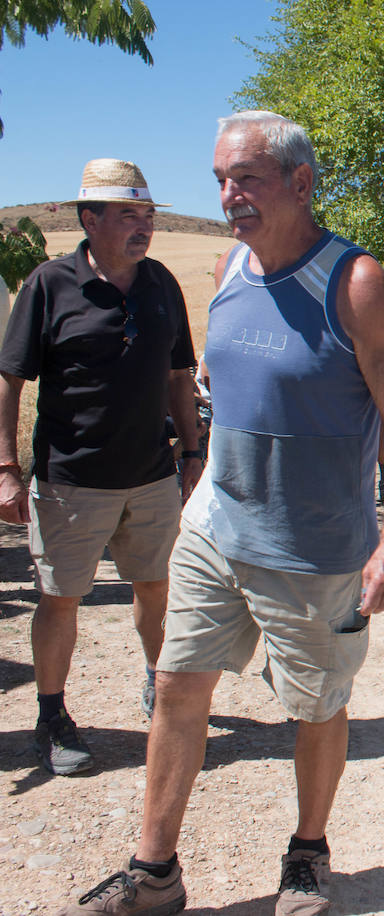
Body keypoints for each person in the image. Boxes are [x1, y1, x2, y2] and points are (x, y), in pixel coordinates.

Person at [62, 111, 384, 915]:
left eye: (246, 179)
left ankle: (307, 851)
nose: (229, 195)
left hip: (314, 545)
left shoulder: (354, 281)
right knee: (178, 685)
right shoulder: (229, 266)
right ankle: (154, 872)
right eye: (222, 179)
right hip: (215, 525)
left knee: (314, 705)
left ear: (300, 181)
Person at [0, 159, 200, 777]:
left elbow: (178, 376)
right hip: (70, 479)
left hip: (150, 476)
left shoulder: (162, 282)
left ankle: (157, 684)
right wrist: (6, 466)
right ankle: (52, 716)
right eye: (128, 215)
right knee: (61, 599)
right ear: (90, 219)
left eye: (148, 215)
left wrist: (192, 453)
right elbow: (9, 378)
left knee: (156, 587)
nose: (143, 227)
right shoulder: (49, 284)